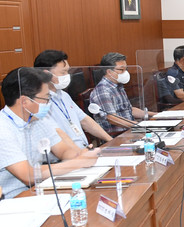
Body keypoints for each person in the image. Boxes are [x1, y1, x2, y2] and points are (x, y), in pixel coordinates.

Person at [0, 67, 97, 199]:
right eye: (46, 98)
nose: (48, 103)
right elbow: (28, 175)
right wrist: (78, 163)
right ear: (24, 102)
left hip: (39, 189)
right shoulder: (3, 128)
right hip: (13, 198)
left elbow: (63, 150)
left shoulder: (37, 119)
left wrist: (79, 155)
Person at [34, 49, 112, 147]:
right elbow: (53, 135)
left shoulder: (64, 95)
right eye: (63, 72)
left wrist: (110, 140)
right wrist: (79, 152)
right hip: (67, 153)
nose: (67, 76)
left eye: (68, 71)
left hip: (84, 149)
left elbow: (85, 120)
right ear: (46, 74)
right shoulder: (39, 101)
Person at [90, 52, 153, 132]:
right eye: (121, 70)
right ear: (109, 72)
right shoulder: (103, 90)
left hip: (130, 129)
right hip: (118, 134)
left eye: (126, 69)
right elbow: (112, 118)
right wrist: (140, 126)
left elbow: (130, 110)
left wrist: (156, 115)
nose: (125, 72)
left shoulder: (118, 86)